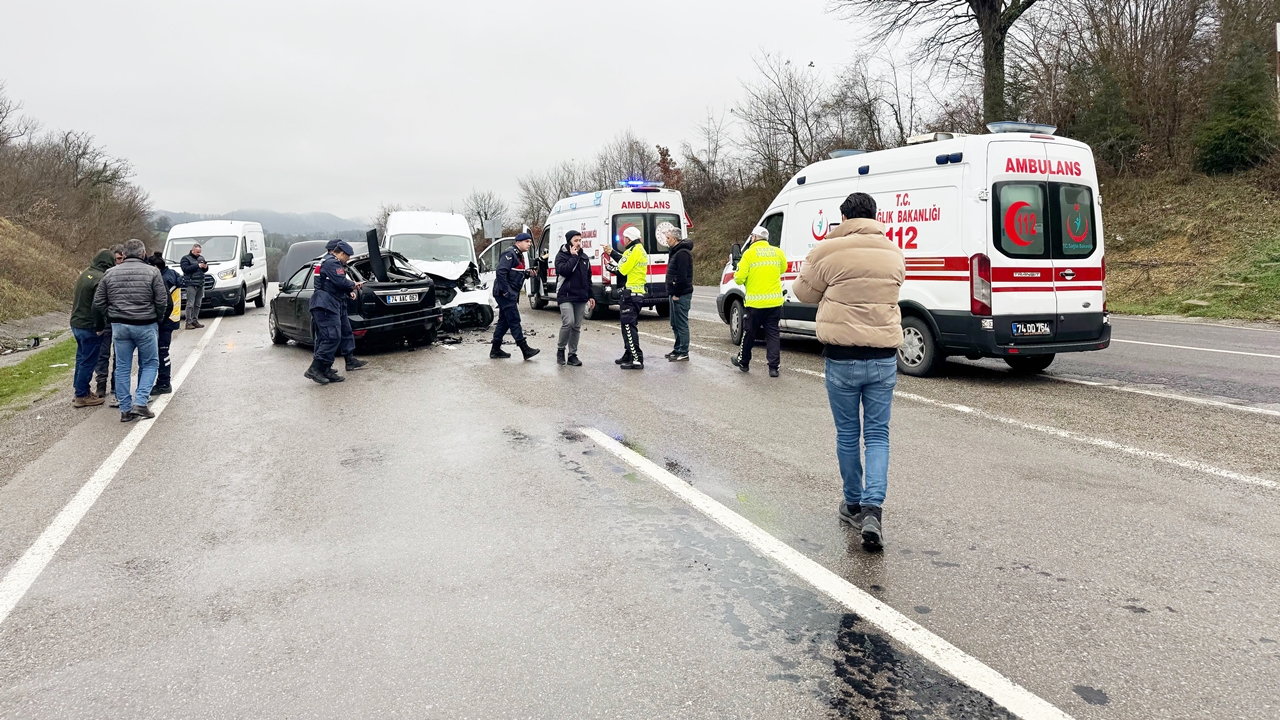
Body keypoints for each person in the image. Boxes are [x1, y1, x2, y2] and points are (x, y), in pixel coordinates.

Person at [793, 192, 904, 549]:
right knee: (877, 435)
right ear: (875, 216)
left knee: (847, 434)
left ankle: (852, 503)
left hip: (841, 356)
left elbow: (802, 293)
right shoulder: (893, 251)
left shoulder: (828, 250)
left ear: (844, 218)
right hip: (885, 355)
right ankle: (873, 510)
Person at [93, 239, 167, 423]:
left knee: (123, 367)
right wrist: (157, 318)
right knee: (150, 364)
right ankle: (141, 401)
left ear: (124, 254)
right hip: (145, 324)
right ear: (143, 254)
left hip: (120, 325)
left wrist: (111, 315)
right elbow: (161, 300)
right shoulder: (153, 272)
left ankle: (125, 409)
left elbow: (98, 301)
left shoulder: (110, 273)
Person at [305, 239, 368, 384]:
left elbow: (333, 284)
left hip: (332, 303)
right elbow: (340, 281)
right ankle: (315, 369)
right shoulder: (332, 262)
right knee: (331, 337)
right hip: (326, 305)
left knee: (335, 336)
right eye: (348, 256)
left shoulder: (329, 262)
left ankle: (326, 369)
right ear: (342, 254)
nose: (349, 259)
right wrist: (353, 285)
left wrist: (348, 290)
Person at [732, 226, 787, 377]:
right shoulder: (777, 252)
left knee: (749, 333)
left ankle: (743, 362)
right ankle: (773, 368)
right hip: (774, 303)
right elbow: (783, 268)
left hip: (755, 304)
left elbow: (739, 278)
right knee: (773, 334)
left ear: (754, 238)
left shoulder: (749, 254)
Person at [68, 249, 116, 408]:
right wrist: (100, 326)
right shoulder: (100, 279)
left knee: (81, 359)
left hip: (76, 323)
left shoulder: (86, 273)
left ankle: (81, 390)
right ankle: (81, 396)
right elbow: (97, 306)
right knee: (88, 362)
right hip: (89, 326)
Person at [490, 232, 540, 360]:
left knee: (504, 321)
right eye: (527, 242)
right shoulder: (510, 254)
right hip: (505, 294)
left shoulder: (519, 255)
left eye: (530, 242)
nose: (529, 244)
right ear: (518, 242)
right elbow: (501, 272)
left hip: (508, 293)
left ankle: (495, 350)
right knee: (514, 320)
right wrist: (506, 291)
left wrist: (528, 273)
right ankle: (525, 349)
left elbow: (515, 272)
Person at [610, 225, 648, 370]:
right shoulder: (638, 250)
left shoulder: (634, 251)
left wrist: (611, 268)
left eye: (624, 238)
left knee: (628, 327)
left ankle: (636, 358)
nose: (623, 240)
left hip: (631, 293)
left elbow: (623, 269)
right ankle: (629, 353)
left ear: (629, 238)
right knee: (626, 326)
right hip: (634, 293)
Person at [554, 230, 594, 366]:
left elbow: (588, 278)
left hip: (580, 296)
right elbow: (564, 271)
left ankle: (572, 355)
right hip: (565, 295)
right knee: (568, 322)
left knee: (576, 326)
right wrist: (573, 257)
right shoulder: (561, 256)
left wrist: (591, 295)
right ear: (569, 241)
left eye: (579, 240)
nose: (578, 243)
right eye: (575, 240)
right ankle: (560, 350)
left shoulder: (585, 258)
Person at [148, 252, 183, 395]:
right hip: (173, 317)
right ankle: (163, 381)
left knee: (161, 352)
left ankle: (164, 382)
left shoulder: (162, 279)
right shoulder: (172, 273)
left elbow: (164, 302)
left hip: (166, 319)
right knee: (163, 351)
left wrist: (158, 319)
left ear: (155, 267)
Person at [94, 244, 125, 406]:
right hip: (107, 321)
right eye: (117, 259)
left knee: (119, 354)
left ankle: (115, 385)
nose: (120, 262)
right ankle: (101, 385)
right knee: (103, 354)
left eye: (122, 259)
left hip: (119, 321)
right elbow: (98, 301)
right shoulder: (106, 276)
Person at [663, 226, 693, 362]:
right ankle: (677, 348)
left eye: (668, 238)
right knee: (674, 323)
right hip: (673, 293)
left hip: (680, 294)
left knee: (681, 323)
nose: (666, 240)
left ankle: (684, 351)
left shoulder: (682, 254)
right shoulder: (675, 252)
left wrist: (677, 293)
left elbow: (682, 276)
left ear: (675, 239)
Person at [180, 243, 208, 329]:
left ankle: (195, 320)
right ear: (192, 250)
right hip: (191, 283)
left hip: (200, 283)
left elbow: (204, 270)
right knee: (190, 304)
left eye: (200, 252)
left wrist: (205, 267)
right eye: (197, 252)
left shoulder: (201, 258)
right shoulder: (185, 259)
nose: (198, 254)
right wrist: (197, 266)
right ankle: (188, 322)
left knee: (198, 304)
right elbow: (185, 269)